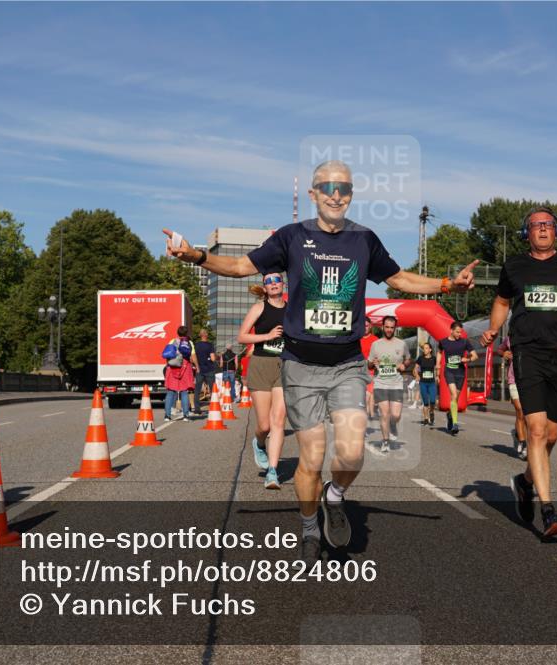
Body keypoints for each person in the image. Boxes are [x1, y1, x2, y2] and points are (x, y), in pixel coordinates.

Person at [164, 160, 477, 563]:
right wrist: (196, 255)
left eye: (343, 188)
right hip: (300, 364)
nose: (335, 194)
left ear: (350, 195)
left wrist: (447, 284)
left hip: (346, 362)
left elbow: (399, 279)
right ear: (313, 194)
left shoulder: (364, 240)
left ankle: (335, 495)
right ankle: (310, 526)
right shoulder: (291, 237)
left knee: (350, 454)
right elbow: (241, 267)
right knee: (311, 457)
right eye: (327, 187)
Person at [480, 206, 557, 538]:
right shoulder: (514, 266)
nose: (543, 229)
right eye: (536, 226)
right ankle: (548, 510)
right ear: (527, 233)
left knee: (551, 436)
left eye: (548, 224)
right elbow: (503, 301)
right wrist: (493, 328)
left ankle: (525, 481)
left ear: (556, 230)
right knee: (534, 431)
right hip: (527, 353)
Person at [237, 273, 287, 489]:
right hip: (261, 365)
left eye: (277, 280)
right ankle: (259, 443)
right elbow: (242, 337)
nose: (273, 284)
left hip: (285, 366)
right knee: (264, 425)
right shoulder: (259, 308)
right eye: (269, 282)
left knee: (278, 421)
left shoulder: (292, 308)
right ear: (265, 288)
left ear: (283, 285)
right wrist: (266, 336)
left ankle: (273, 472)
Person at [367, 316, 411, 453]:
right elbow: (369, 363)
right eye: (387, 327)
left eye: (392, 327)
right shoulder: (376, 344)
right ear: (382, 327)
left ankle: (393, 424)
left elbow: (408, 359)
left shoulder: (401, 344)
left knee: (396, 415)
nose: (389, 330)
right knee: (384, 414)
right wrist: (372, 363)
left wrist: (404, 365)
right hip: (380, 383)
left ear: (395, 328)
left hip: (396, 383)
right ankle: (385, 441)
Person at [439, 321, 477, 436]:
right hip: (449, 371)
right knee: (454, 395)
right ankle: (455, 423)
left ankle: (450, 415)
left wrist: (468, 359)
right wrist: (437, 365)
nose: (459, 334)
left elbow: (475, 356)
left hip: (460, 372)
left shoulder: (465, 342)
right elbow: (440, 353)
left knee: (455, 399)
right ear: (451, 330)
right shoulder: (443, 342)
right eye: (457, 332)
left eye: (460, 332)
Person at [496, 335, 527, 460]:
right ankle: (523, 443)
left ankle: (517, 434)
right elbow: (499, 349)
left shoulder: (534, 334)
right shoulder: (510, 338)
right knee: (520, 410)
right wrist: (503, 354)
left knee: (528, 414)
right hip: (513, 379)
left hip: (530, 380)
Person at [163, 326, 197, 422]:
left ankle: (167, 415)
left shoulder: (172, 341)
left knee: (170, 391)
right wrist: (197, 367)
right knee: (184, 391)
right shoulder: (189, 343)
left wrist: (168, 364)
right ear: (186, 333)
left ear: (178, 333)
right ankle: (186, 415)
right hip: (185, 368)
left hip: (172, 367)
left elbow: (167, 354)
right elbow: (193, 357)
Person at [193, 329, 218, 415]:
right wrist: (215, 357)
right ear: (206, 335)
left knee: (197, 390)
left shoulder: (196, 345)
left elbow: (193, 357)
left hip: (199, 369)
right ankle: (214, 407)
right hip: (209, 369)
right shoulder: (210, 345)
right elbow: (213, 358)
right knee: (213, 389)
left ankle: (197, 409)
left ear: (200, 335)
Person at [413, 341, 438, 426]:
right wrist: (416, 375)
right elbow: (415, 368)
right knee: (425, 402)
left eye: (427, 348)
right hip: (423, 382)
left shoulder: (434, 359)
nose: (425, 350)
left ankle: (431, 411)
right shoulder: (420, 358)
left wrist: (438, 376)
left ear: (430, 349)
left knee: (433, 401)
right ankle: (426, 419)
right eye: (424, 348)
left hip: (431, 383)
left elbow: (437, 368)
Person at [360, 319, 378, 420]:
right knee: (361, 400)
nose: (365, 328)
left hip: (371, 373)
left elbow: (380, 356)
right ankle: (365, 419)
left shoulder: (375, 340)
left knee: (367, 398)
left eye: (367, 326)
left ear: (370, 326)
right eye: (363, 326)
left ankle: (365, 422)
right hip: (358, 373)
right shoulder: (356, 339)